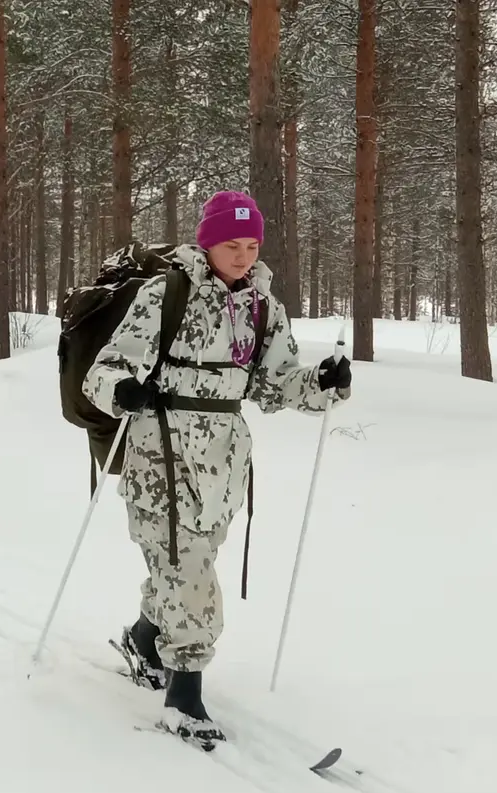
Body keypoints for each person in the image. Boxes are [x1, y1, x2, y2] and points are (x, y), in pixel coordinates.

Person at [82, 190, 353, 750]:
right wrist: (124, 389)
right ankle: (185, 694)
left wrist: (323, 384)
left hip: (225, 462)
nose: (243, 255)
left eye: (252, 245)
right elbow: (102, 372)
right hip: (161, 452)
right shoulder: (166, 294)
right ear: (207, 243)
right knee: (190, 570)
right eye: (232, 244)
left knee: (184, 562)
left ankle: (143, 636)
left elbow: (277, 384)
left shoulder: (262, 307)